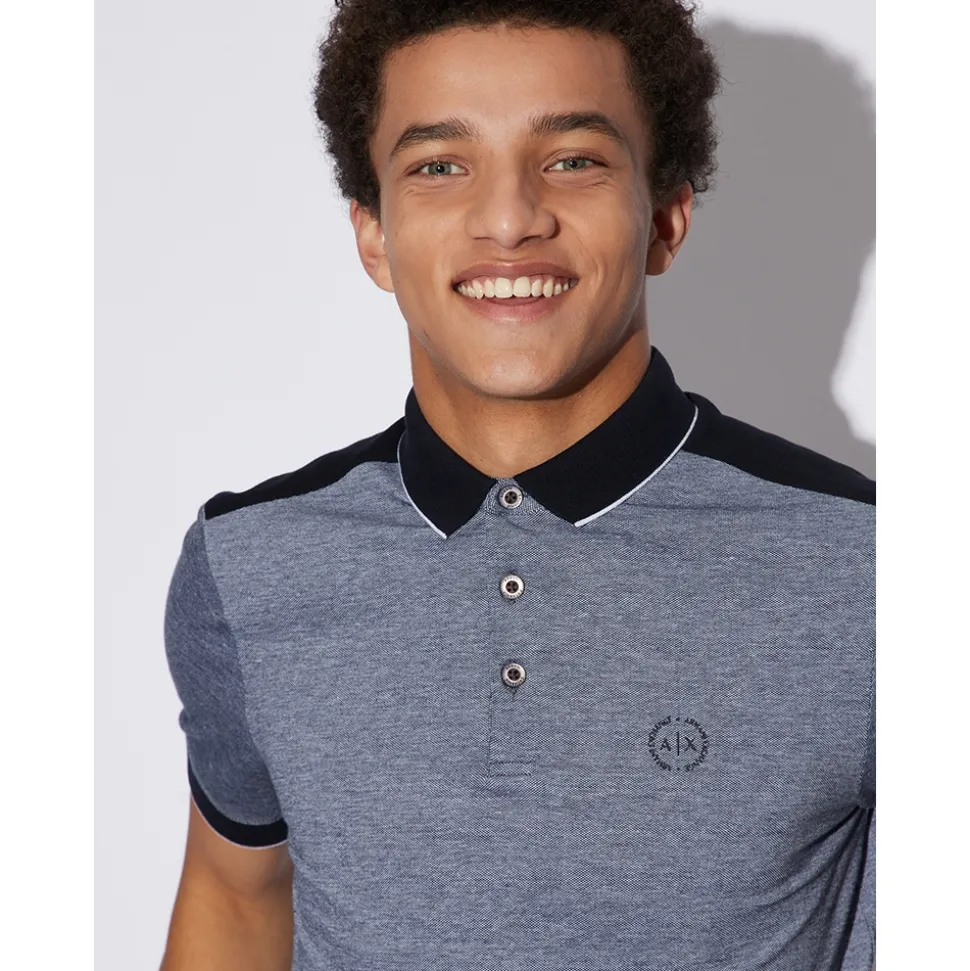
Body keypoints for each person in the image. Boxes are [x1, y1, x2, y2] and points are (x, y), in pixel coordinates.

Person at [159, 2, 875, 969]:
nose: (508, 219)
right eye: (438, 166)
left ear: (666, 218)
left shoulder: (873, 571)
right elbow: (235, 898)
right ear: (373, 234)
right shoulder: (247, 569)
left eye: (573, 159)